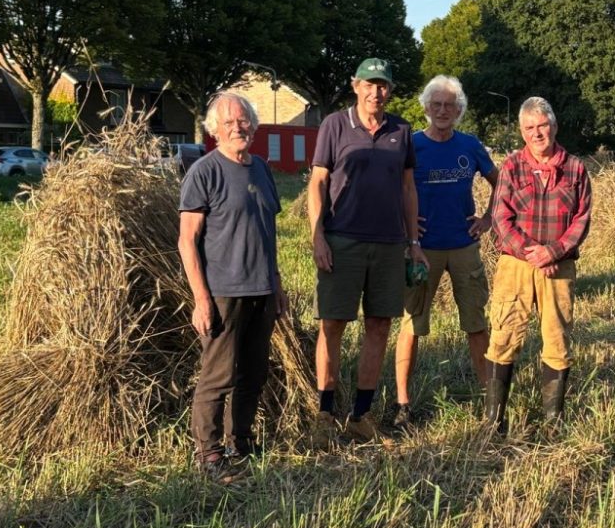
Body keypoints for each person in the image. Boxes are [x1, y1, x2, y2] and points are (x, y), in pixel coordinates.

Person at [308, 58, 428, 446]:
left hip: (390, 244)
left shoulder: (402, 131)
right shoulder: (334, 125)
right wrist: (318, 236)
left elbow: (409, 190)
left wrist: (413, 243)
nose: (377, 91)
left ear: (390, 90)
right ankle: (325, 414)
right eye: (370, 84)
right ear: (355, 86)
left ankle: (361, 415)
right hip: (342, 240)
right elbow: (318, 184)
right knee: (333, 324)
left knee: (379, 326)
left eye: (383, 85)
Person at [178, 92, 288, 482]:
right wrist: (201, 299)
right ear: (214, 131)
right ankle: (209, 456)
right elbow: (187, 240)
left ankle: (239, 441)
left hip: (261, 288)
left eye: (243, 121)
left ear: (254, 126)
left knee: (253, 373)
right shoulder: (204, 172)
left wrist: (276, 284)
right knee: (218, 376)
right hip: (223, 291)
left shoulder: (261, 168)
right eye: (229, 123)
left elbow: (267, 232)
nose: (238, 128)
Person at [393, 75, 499, 428]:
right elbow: (391, 188)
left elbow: (502, 182)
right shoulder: (412, 144)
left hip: (464, 246)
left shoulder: (470, 145)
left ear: (459, 110)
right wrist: (406, 230)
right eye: (436, 105)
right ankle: (403, 405)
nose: (442, 111)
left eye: (449, 105)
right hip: (422, 251)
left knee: (476, 323)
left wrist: (487, 218)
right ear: (425, 108)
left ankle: (490, 402)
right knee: (412, 324)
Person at [484, 96, 592, 437]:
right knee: (503, 337)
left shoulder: (575, 168)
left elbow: (582, 219)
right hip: (516, 266)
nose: (537, 133)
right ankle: (494, 423)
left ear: (554, 127)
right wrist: (534, 253)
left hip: (558, 268)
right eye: (529, 128)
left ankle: (551, 424)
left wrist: (554, 252)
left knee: (557, 340)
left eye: (542, 126)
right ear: (521, 131)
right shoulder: (512, 166)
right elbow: (501, 218)